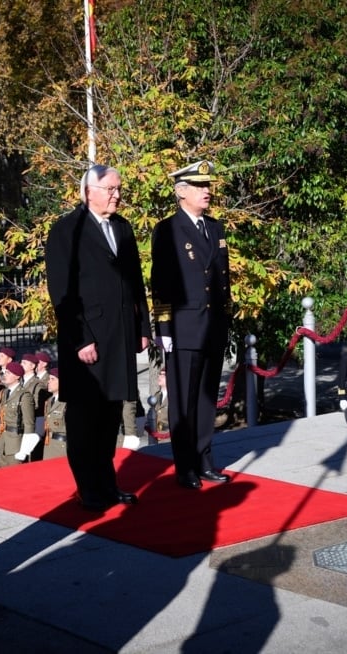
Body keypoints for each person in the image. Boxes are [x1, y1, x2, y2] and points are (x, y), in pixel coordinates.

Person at [45, 163, 150, 511]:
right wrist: (81, 339)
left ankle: (107, 483)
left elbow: (136, 284)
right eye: (111, 189)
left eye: (119, 189)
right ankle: (87, 487)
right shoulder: (66, 230)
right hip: (88, 339)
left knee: (110, 414)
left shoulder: (122, 228)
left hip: (119, 334)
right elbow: (62, 290)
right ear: (89, 191)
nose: (117, 195)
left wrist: (143, 330)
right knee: (84, 416)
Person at [150, 160, 233, 489]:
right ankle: (185, 466)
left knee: (206, 397)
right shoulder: (168, 230)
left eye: (208, 186)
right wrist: (165, 329)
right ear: (180, 191)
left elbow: (223, 281)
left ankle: (204, 458)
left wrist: (225, 322)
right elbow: (161, 283)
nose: (207, 191)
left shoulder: (215, 228)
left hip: (212, 326)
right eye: (200, 187)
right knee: (183, 401)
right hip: (184, 327)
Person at [0, 361, 38, 466]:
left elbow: (29, 424)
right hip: (4, 442)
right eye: (5, 372)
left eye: (8, 373)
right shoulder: (5, 393)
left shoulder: (24, 396)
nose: (5, 375)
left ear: (17, 376)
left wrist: (24, 450)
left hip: (16, 444)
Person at [42, 367, 68, 460]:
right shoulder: (49, 401)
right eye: (49, 379)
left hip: (62, 447)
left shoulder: (68, 402)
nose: (48, 382)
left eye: (53, 379)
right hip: (49, 445)